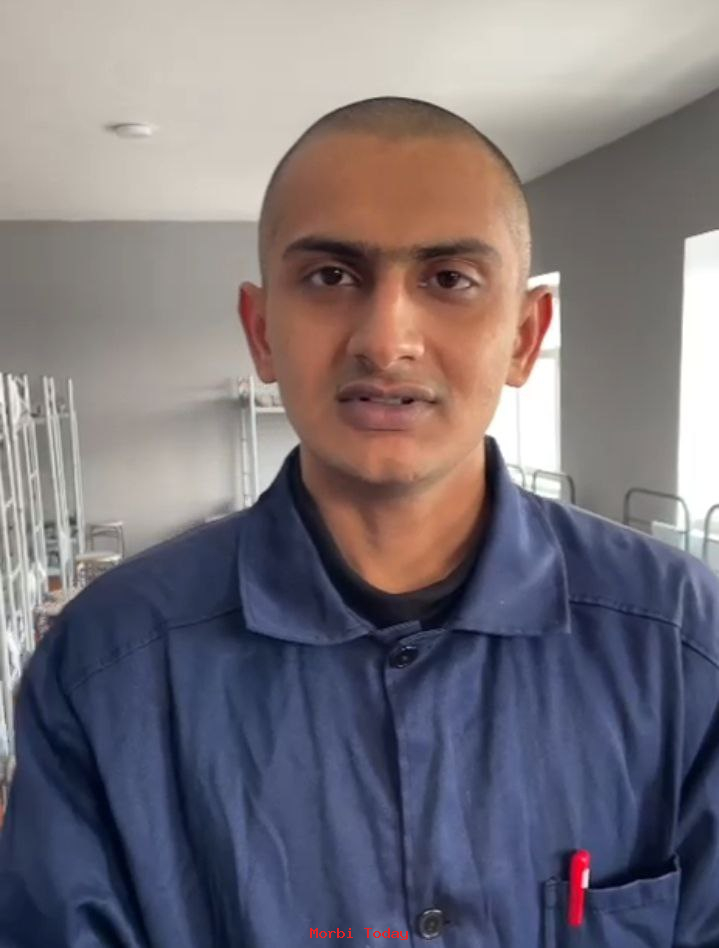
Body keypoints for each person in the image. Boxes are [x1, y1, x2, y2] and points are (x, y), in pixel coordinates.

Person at [0, 96, 718, 948]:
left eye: (448, 279)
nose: (385, 341)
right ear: (262, 333)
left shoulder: (682, 646)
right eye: (331, 277)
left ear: (525, 338)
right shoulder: (104, 669)